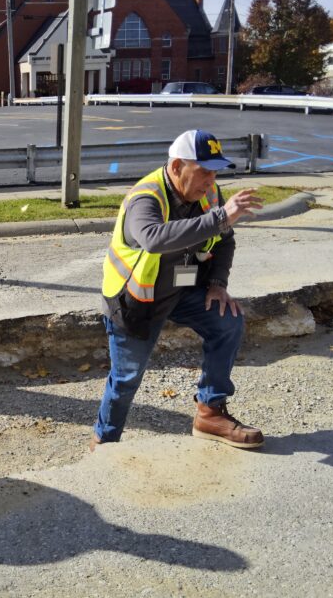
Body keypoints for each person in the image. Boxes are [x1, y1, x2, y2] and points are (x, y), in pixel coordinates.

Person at [94, 129, 265, 451]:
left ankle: (210, 413)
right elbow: (154, 238)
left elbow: (225, 239)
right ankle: (104, 442)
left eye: (215, 171)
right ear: (176, 167)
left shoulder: (209, 194)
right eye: (203, 171)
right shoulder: (146, 197)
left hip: (183, 291)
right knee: (126, 379)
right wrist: (220, 217)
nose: (211, 180)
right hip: (137, 301)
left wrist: (217, 284)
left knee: (227, 321)